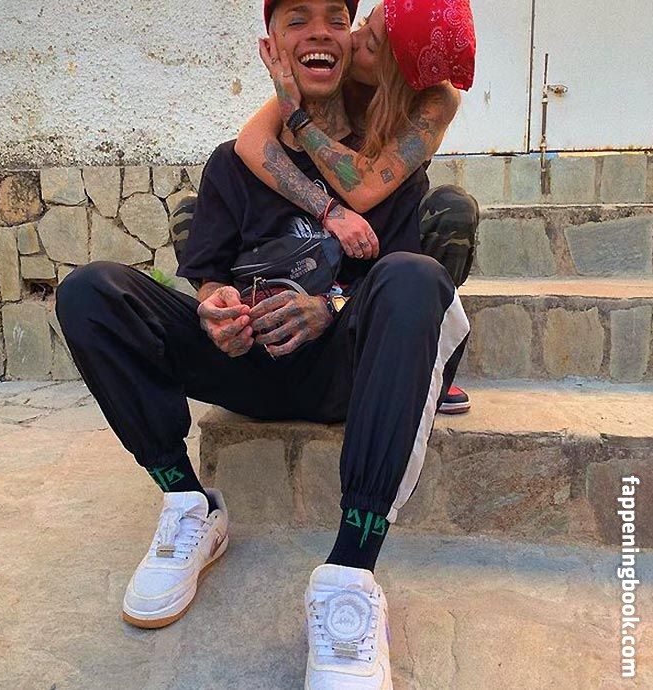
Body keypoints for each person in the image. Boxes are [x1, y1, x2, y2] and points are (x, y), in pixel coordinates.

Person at [55, 0, 473, 687]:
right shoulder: (234, 161)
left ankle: (350, 572)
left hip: (341, 372)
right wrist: (216, 308)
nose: (320, 33)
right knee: (90, 290)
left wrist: (329, 307)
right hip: (245, 367)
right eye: (296, 19)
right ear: (272, 46)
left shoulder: (389, 168)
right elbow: (210, 274)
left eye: (336, 18)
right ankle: (188, 503)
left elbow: (390, 281)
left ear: (352, 42)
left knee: (415, 276)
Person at [235, 0, 478, 414]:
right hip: (328, 240)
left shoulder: (436, 99)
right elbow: (250, 142)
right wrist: (329, 211)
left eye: (373, 43)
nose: (354, 38)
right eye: (364, 23)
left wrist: (297, 118)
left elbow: (365, 188)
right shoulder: (337, 68)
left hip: (391, 236)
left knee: (452, 212)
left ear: (397, 71)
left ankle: (423, 355)